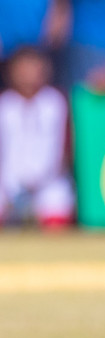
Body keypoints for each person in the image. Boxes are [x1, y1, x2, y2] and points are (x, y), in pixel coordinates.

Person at [0, 46, 73, 228]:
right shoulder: (4, 103)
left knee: (58, 200)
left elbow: (67, 148)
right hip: (8, 183)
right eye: (22, 69)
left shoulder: (56, 101)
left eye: (33, 68)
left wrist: (43, 180)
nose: (28, 75)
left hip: (48, 182)